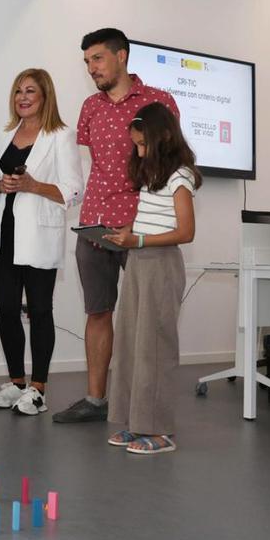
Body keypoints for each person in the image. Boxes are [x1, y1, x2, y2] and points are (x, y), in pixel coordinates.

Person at [53, 28, 180, 424]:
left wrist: (142, 213)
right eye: (87, 62)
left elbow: (170, 161)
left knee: (143, 319)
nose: (92, 68)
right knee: (98, 312)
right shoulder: (90, 107)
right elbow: (98, 164)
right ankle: (96, 400)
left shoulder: (159, 101)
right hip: (93, 222)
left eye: (97, 59)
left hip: (141, 225)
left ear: (121, 56)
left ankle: (141, 407)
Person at [0, 69, 83, 416]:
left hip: (39, 235)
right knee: (6, 310)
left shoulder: (61, 136)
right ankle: (16, 383)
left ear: (45, 97)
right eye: (17, 92)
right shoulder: (1, 136)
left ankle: (38, 388)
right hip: (4, 235)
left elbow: (73, 191)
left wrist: (33, 186)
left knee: (40, 310)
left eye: (30, 92)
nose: (22, 98)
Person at [102, 102, 200, 454]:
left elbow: (185, 231)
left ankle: (160, 430)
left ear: (164, 137)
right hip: (139, 262)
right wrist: (130, 232)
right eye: (136, 146)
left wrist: (139, 239)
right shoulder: (151, 176)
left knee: (155, 348)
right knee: (130, 344)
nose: (140, 152)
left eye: (144, 145)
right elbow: (151, 220)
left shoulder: (180, 176)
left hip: (161, 264)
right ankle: (136, 423)